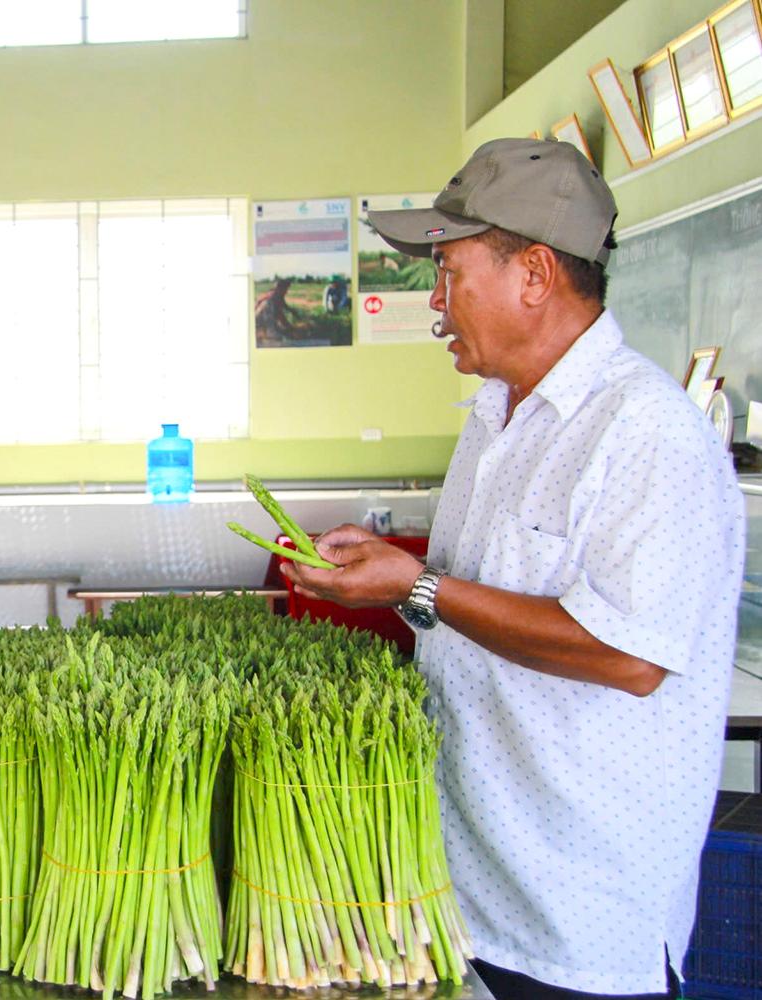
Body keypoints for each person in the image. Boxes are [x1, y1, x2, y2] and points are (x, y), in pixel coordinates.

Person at [280, 138, 743, 1000]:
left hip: (575, 922)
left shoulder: (647, 433)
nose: (437, 306)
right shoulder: (495, 414)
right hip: (467, 890)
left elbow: (628, 655)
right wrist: (394, 571)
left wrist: (414, 587)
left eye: (450, 274)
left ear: (534, 273)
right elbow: (469, 595)